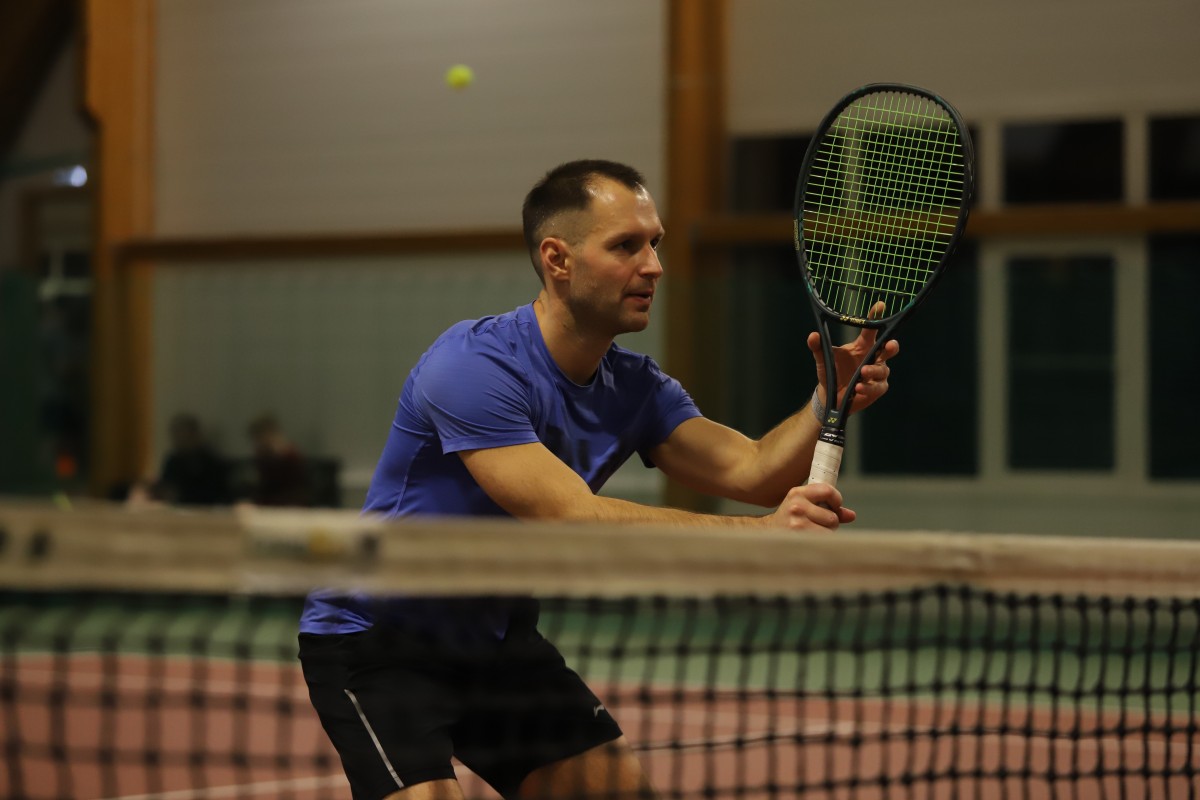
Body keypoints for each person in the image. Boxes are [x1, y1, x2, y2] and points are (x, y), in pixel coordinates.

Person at [298, 160, 900, 800]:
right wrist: (762, 535)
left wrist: (826, 401)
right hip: (379, 639)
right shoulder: (472, 366)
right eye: (625, 246)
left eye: (655, 243)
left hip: (497, 641)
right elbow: (568, 514)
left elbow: (751, 470)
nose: (654, 266)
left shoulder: (636, 387)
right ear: (557, 259)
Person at [156, 413, 230, 506]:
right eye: (176, 434)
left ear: (194, 434)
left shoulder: (211, 461)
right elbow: (165, 487)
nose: (180, 439)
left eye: (184, 434)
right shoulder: (173, 461)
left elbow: (216, 493)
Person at [246, 413, 311, 507]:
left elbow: (298, 490)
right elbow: (264, 488)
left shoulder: (291, 455)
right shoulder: (262, 456)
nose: (258, 443)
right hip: (270, 504)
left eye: (259, 438)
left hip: (291, 505)